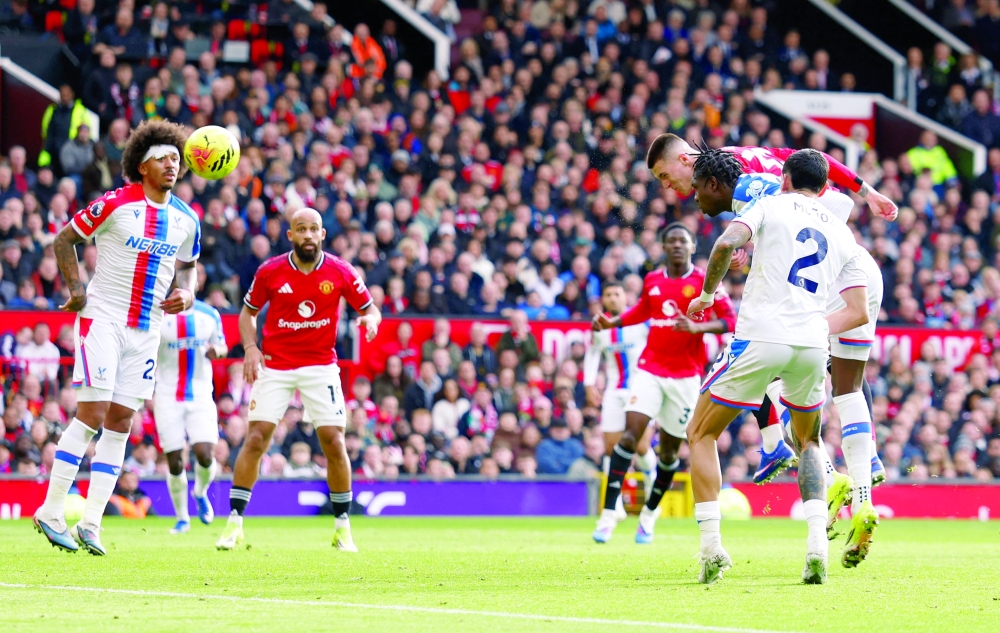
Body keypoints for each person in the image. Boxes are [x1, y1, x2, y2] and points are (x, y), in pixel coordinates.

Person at [692, 148, 885, 567]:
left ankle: (711, 548)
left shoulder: (768, 203)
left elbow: (726, 242)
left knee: (700, 433)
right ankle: (818, 543)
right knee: (813, 437)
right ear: (823, 186)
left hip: (762, 336)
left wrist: (706, 295)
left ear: (783, 179)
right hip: (814, 344)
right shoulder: (840, 230)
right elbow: (858, 309)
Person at [33, 120, 199, 555]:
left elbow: (188, 266)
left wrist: (189, 291)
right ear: (142, 165)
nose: (172, 164)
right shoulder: (116, 203)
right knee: (91, 414)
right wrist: (76, 289)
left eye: (176, 159)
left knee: (121, 423)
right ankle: (51, 511)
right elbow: (64, 239)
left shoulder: (186, 219)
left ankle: (91, 523)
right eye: (163, 158)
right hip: (102, 318)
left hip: (147, 331)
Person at [216, 207, 382, 552]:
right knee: (257, 438)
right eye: (300, 229)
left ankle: (342, 527)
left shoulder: (340, 271)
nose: (307, 235)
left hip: (321, 366)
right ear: (290, 235)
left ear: (323, 234)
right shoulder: (271, 271)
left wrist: (370, 320)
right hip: (275, 365)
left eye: (313, 229)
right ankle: (234, 523)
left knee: (334, 442)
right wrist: (250, 347)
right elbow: (248, 313)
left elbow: (370, 308)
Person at [591, 224, 736, 545]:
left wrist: (698, 329)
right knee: (629, 436)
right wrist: (614, 322)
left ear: (691, 245)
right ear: (663, 247)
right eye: (670, 241)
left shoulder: (704, 280)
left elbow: (731, 320)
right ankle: (607, 513)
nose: (676, 246)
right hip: (650, 370)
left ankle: (649, 514)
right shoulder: (653, 280)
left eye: (682, 241)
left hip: (685, 378)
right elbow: (644, 309)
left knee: (670, 453)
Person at [644, 132, 898, 222]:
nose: (665, 184)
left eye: (664, 175)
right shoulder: (737, 153)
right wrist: (868, 193)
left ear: (684, 159)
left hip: (814, 214)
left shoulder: (724, 173)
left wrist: (733, 243)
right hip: (830, 208)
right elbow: (813, 157)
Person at [582, 281, 657, 522]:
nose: (613, 298)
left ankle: (653, 487)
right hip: (614, 392)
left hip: (640, 390)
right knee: (610, 448)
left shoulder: (642, 321)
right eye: (608, 295)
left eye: (617, 293)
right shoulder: (599, 326)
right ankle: (615, 504)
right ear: (603, 299)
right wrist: (589, 383)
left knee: (642, 446)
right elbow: (593, 353)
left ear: (625, 297)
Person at [154, 299, 227, 535]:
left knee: (205, 455)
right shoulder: (159, 315)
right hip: (167, 395)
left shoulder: (209, 314)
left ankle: (200, 492)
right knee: (174, 460)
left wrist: (218, 351)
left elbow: (223, 345)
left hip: (201, 395)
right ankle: (182, 517)